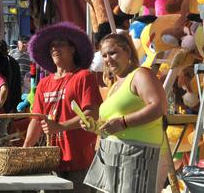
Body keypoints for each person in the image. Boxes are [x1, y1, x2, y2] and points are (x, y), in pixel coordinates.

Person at [81, 33, 167, 193]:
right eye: (104, 55)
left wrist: (123, 122)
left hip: (139, 153)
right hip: (115, 155)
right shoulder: (116, 84)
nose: (108, 59)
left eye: (113, 53)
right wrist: (94, 126)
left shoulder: (141, 75)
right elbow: (111, 122)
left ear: (127, 51)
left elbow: (159, 106)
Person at [22, 22, 102, 192]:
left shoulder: (83, 77)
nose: (54, 48)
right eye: (52, 46)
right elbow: (37, 119)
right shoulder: (44, 84)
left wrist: (59, 127)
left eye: (60, 44)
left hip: (79, 160)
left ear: (73, 49)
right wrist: (26, 148)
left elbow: (92, 114)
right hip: (50, 160)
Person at [0, 39, 22, 114]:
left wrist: (0, 103)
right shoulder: (13, 62)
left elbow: (4, 88)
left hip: (3, 109)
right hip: (13, 106)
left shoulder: (0, 64)